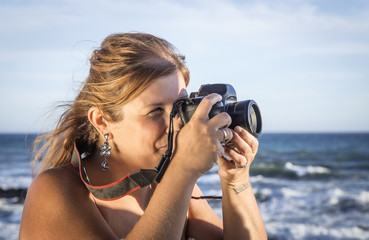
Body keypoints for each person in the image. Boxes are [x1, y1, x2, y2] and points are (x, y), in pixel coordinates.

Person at [19, 33, 267, 240]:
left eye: (180, 106)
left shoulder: (167, 183)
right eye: (156, 111)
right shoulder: (54, 189)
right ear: (102, 121)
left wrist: (236, 180)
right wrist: (183, 171)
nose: (176, 124)